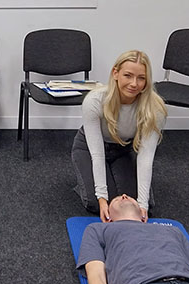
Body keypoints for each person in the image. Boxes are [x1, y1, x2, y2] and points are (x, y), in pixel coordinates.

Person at [71, 50, 167, 222]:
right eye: (128, 75)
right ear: (115, 73)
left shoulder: (156, 108)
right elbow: (97, 154)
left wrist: (143, 204)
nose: (134, 84)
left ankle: (109, 180)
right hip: (89, 148)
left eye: (141, 78)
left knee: (135, 207)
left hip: (124, 149)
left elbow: (146, 157)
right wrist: (101, 197)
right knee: (98, 203)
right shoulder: (94, 101)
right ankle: (88, 183)